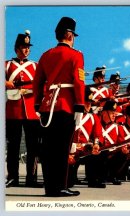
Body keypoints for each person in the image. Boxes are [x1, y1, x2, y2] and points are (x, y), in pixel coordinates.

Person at [33, 17, 85, 197]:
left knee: (48, 150)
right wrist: (79, 106)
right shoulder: (76, 55)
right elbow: (79, 83)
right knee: (62, 149)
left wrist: (38, 103)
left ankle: (50, 187)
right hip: (65, 106)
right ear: (69, 35)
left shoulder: (45, 55)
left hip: (47, 107)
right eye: (73, 35)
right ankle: (60, 187)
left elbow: (37, 82)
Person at [5, 30, 41, 188]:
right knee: (13, 146)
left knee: (33, 147)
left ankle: (31, 178)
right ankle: (13, 177)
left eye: (28, 47)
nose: (26, 50)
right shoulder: (6, 65)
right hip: (13, 111)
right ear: (16, 48)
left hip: (32, 112)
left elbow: (42, 84)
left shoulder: (35, 66)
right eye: (23, 47)